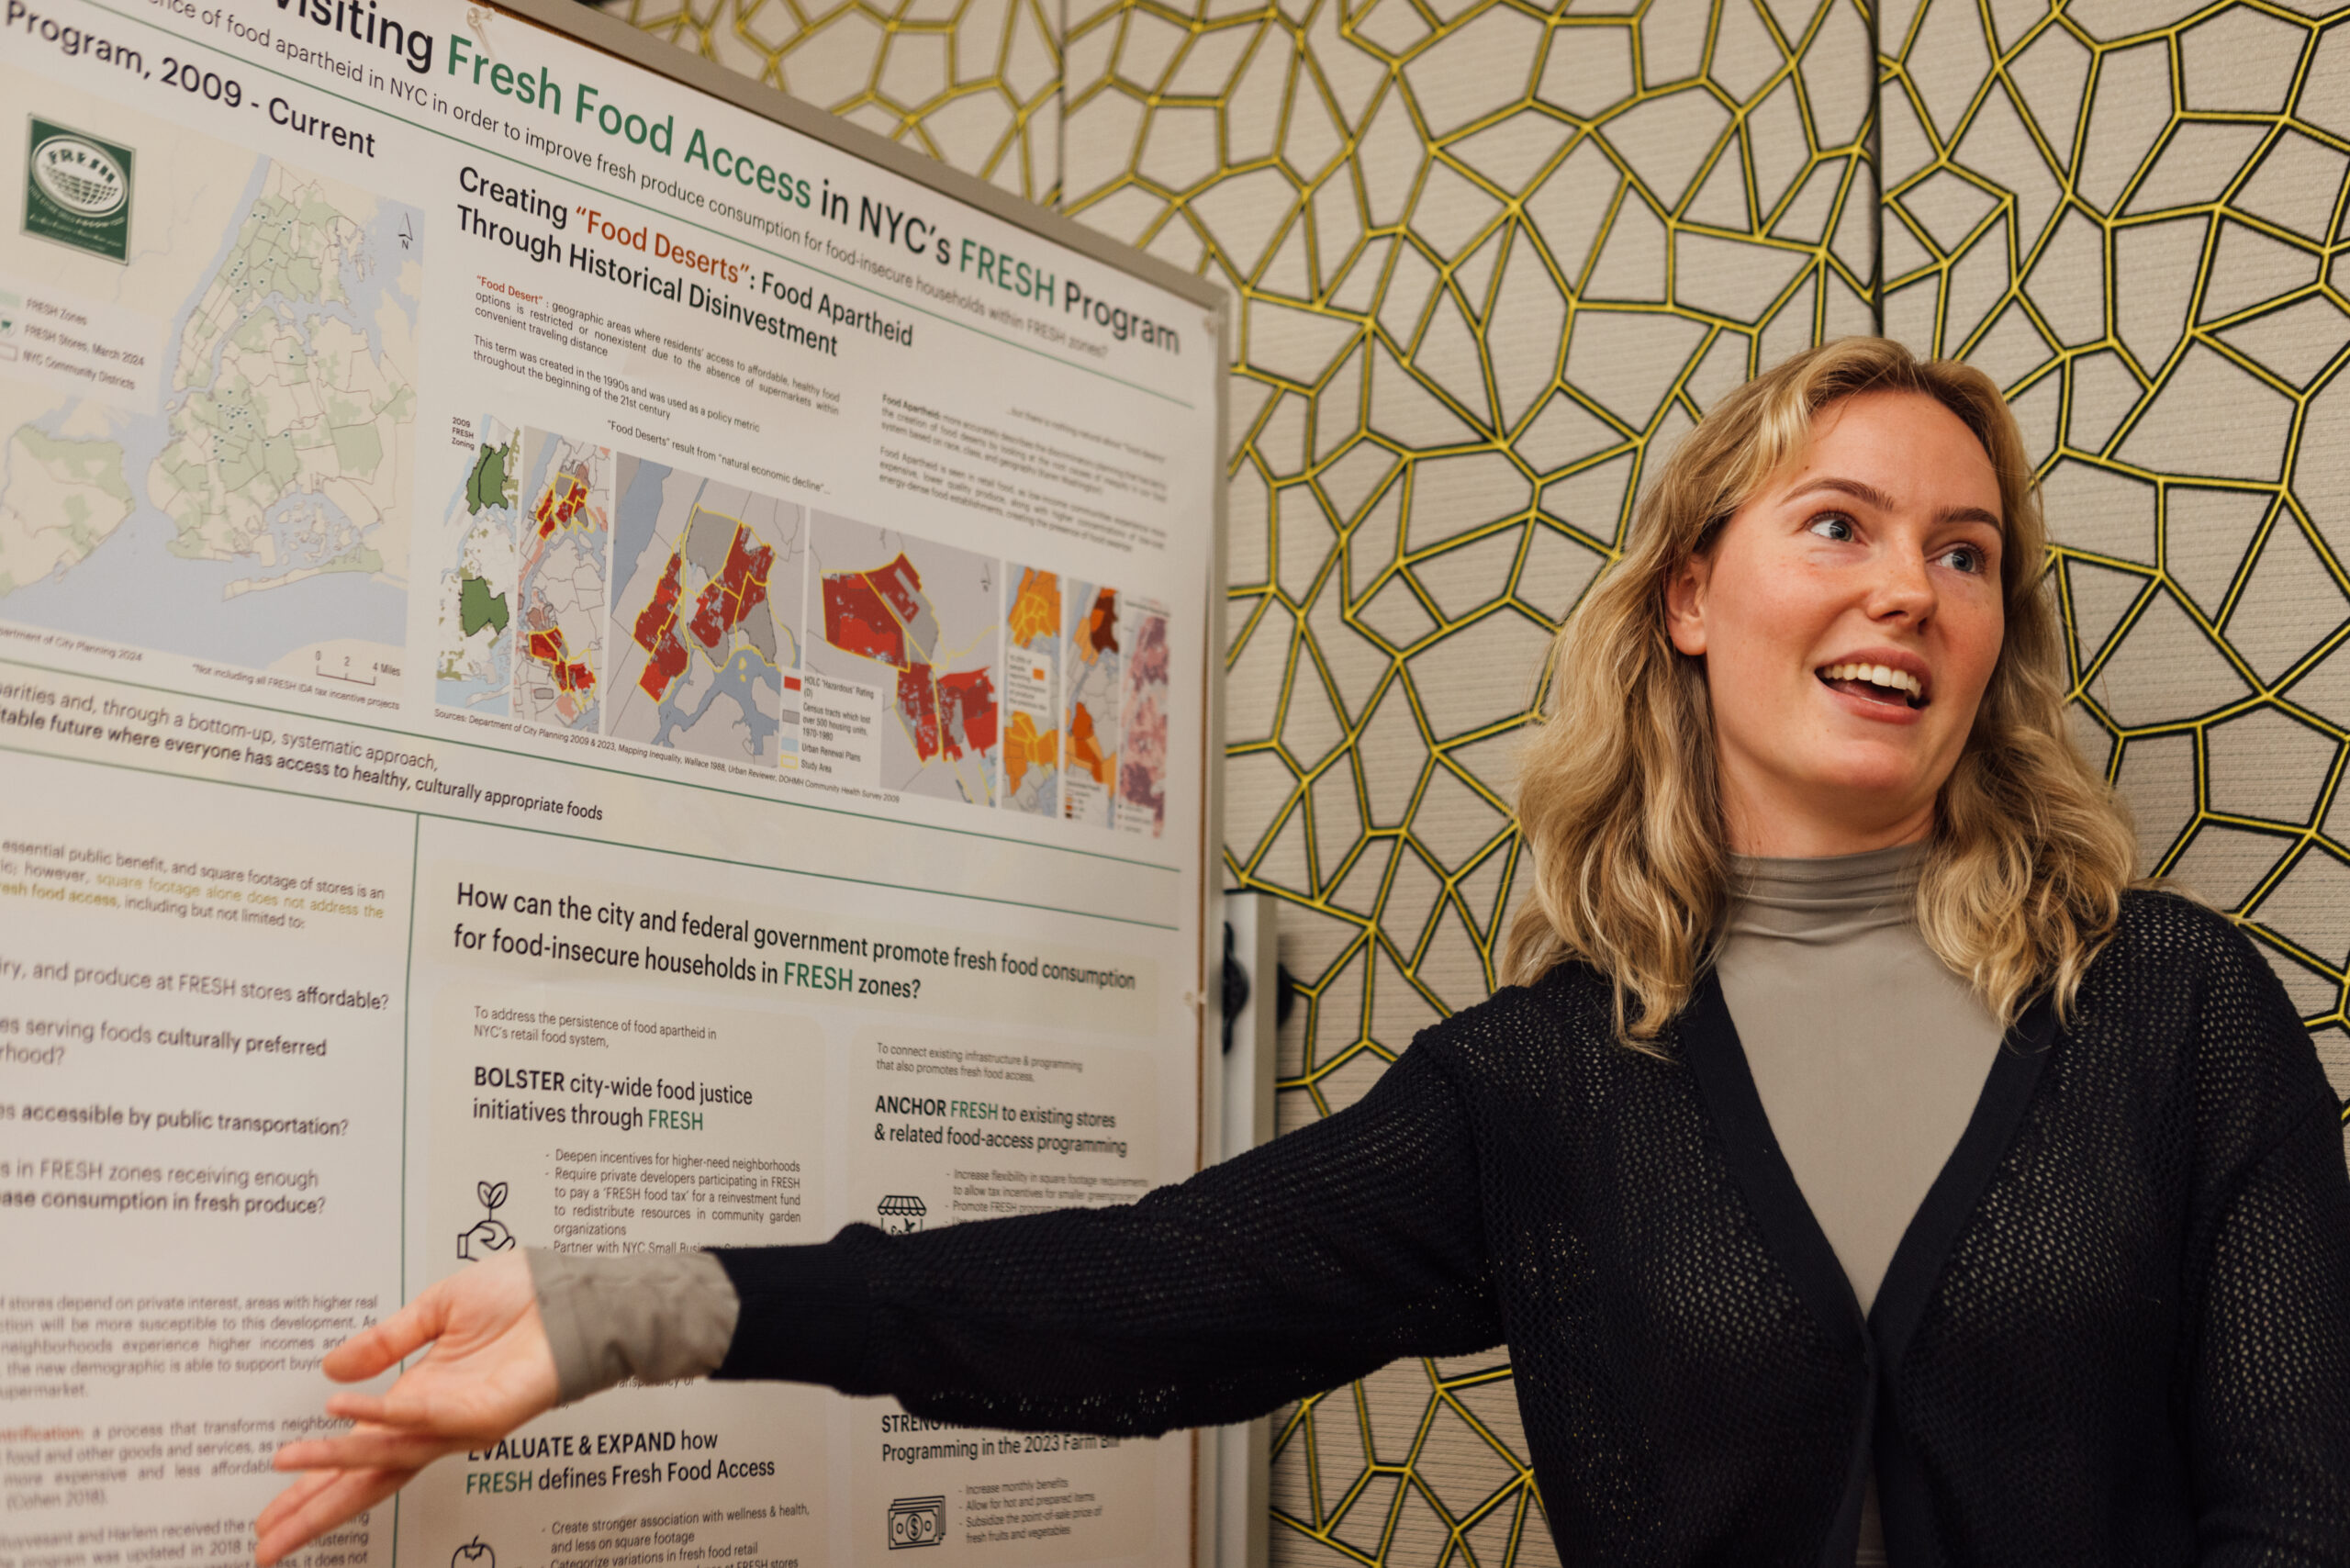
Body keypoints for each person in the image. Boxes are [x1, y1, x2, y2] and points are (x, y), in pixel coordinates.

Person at [254, 339, 2350, 1565]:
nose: (1909, 587)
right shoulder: (1545, 1084)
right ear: (1691, 593)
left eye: (1961, 552)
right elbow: (1134, 1293)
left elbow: (2294, 1508)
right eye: (1840, 523)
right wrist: (627, 1304)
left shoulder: (2165, 1011)